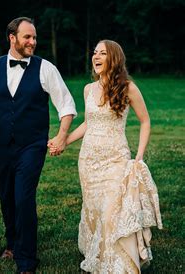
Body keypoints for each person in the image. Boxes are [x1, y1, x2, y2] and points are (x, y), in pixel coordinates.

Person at [0, 17, 76, 273]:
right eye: (27, 37)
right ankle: (11, 243)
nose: (33, 42)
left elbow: (66, 106)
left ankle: (26, 260)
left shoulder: (46, 69)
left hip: (31, 146)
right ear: (12, 38)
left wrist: (62, 135)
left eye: (34, 37)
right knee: (6, 196)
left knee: (23, 198)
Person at [62, 40, 162, 273]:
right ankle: (97, 255)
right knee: (95, 210)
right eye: (94, 53)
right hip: (88, 161)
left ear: (113, 58)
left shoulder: (128, 87)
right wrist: (64, 141)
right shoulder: (88, 89)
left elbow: (145, 121)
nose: (96, 57)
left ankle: (120, 264)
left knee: (112, 212)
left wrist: (138, 156)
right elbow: (88, 123)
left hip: (116, 159)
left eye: (102, 53)